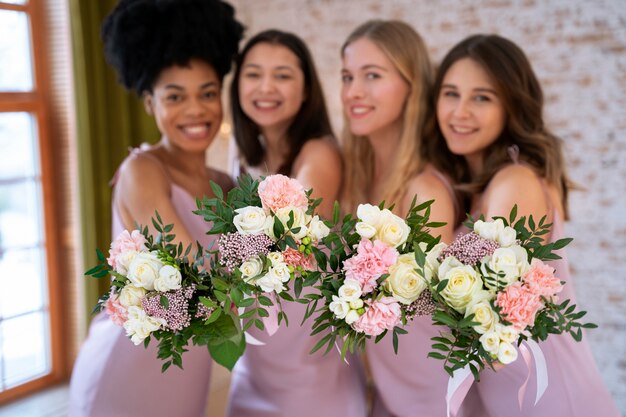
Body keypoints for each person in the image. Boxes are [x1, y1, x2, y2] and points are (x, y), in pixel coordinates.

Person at [425, 33, 620, 417]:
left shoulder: (515, 182)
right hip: (510, 393)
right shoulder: (477, 185)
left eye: (482, 97)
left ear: (512, 105)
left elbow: (488, 305)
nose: (459, 112)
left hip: (549, 396)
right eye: (450, 93)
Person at [68, 1, 243, 416]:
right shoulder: (142, 171)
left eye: (207, 93)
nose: (195, 110)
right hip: (127, 366)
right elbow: (195, 273)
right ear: (150, 104)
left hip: (189, 369)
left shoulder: (225, 184)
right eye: (175, 97)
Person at [225, 29, 369, 417]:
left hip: (306, 355)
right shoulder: (241, 155)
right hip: (258, 356)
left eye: (283, 75)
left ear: (306, 90)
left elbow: (287, 239)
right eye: (253, 74)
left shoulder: (319, 153)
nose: (266, 86)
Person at [340, 20, 459, 416]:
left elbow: (429, 320)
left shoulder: (424, 191)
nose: (353, 91)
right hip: (382, 390)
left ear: (413, 86)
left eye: (372, 75)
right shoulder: (353, 179)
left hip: (429, 391)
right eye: (347, 76)